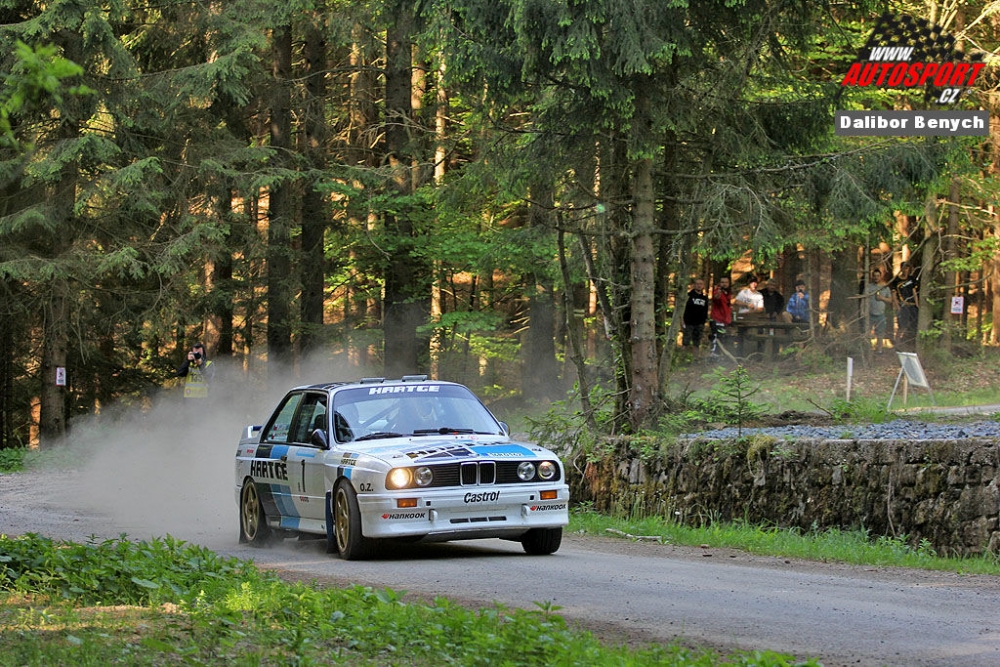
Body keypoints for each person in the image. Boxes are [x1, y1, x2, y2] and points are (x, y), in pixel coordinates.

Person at [891, 262, 919, 350]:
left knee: (914, 325)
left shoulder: (911, 279)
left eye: (907, 268)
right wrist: (898, 307)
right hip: (903, 305)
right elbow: (894, 295)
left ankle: (912, 345)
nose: (905, 270)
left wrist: (917, 304)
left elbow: (914, 292)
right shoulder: (896, 280)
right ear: (901, 268)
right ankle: (897, 344)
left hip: (912, 305)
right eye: (904, 268)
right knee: (902, 326)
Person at [864, 268, 893, 353]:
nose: (876, 277)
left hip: (881, 314)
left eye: (878, 276)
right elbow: (863, 299)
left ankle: (879, 350)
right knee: (867, 333)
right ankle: (868, 350)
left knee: (880, 333)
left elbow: (890, 300)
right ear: (872, 277)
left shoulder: (885, 287)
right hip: (870, 314)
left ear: (881, 276)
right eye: (874, 276)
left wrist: (882, 298)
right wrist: (863, 311)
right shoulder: (868, 287)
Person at [708, 276, 733, 356]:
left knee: (722, 338)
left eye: (726, 282)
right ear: (720, 283)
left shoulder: (728, 293)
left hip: (724, 320)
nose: (724, 284)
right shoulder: (717, 291)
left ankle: (718, 356)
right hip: (717, 319)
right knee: (716, 339)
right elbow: (716, 297)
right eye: (722, 282)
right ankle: (713, 356)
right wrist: (719, 291)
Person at [682, 278, 709, 349]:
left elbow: (706, 310)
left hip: (700, 323)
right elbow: (683, 309)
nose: (699, 285)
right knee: (685, 342)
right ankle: (683, 354)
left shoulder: (704, 298)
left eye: (701, 284)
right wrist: (682, 321)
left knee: (697, 343)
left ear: (703, 285)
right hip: (689, 322)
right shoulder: (688, 296)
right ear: (694, 285)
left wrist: (704, 321)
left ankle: (696, 355)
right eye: (697, 284)